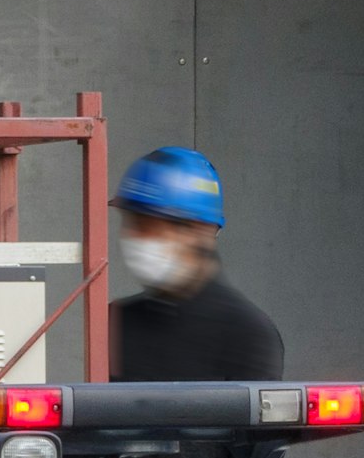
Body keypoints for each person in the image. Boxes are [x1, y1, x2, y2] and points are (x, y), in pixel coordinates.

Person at [108, 145, 284, 383]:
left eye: (148, 227)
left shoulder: (247, 333)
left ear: (200, 231)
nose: (134, 238)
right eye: (131, 224)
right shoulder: (117, 321)